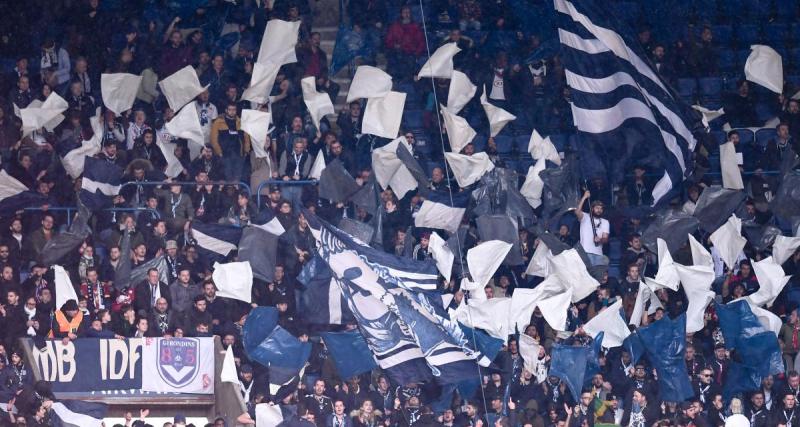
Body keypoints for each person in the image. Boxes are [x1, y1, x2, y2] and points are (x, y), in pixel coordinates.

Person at [574, 191, 609, 266]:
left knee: (597, 276)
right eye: (597, 208)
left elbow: (605, 239)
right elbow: (577, 211)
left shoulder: (605, 222)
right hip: (585, 252)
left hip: (599, 254)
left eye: (601, 208)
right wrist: (584, 197)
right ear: (592, 209)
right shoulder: (585, 217)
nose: (599, 210)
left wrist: (600, 240)